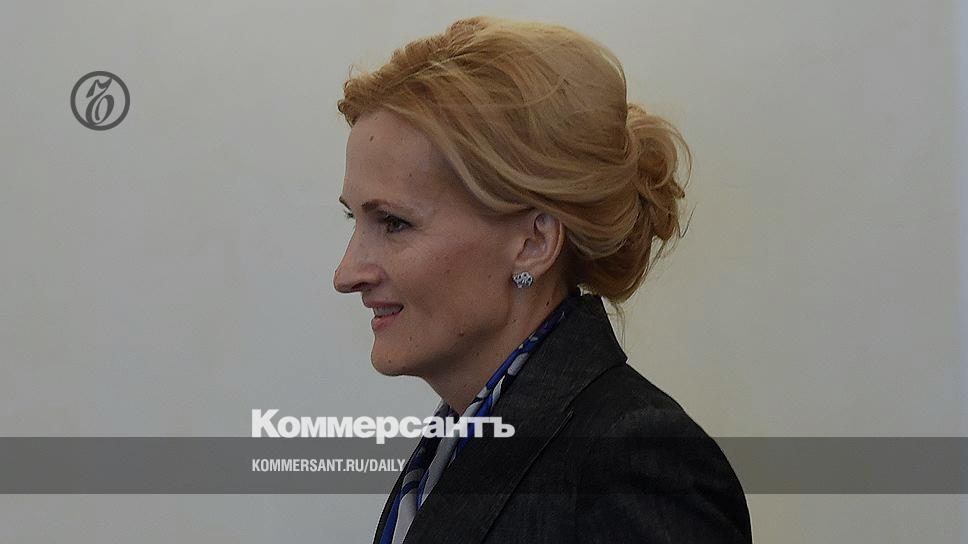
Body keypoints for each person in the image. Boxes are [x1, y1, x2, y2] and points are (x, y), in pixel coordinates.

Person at [333, 16, 752, 544]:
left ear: (534, 243)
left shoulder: (629, 462)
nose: (346, 274)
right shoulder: (460, 445)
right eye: (354, 220)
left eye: (394, 223)